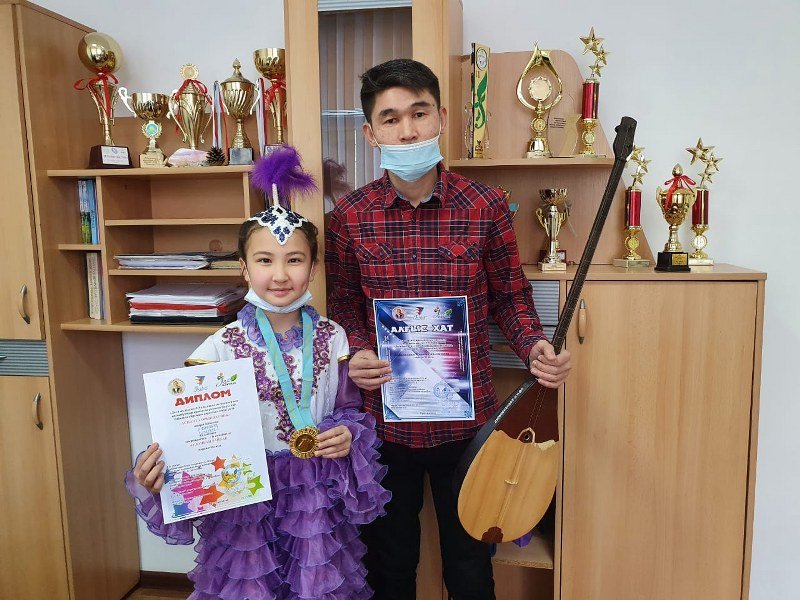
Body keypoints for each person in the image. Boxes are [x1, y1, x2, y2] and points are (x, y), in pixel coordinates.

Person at [324, 59, 572, 600]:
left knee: (469, 568)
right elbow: (343, 306)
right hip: (384, 426)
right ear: (371, 134)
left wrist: (534, 345)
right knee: (390, 567)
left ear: (441, 118)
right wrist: (356, 352)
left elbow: (510, 296)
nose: (407, 130)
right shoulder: (349, 215)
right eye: (390, 119)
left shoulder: (485, 206)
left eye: (419, 113)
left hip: (468, 425)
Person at [126, 182, 390, 599]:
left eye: (295, 260)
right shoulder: (216, 349)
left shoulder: (334, 337)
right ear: (245, 269)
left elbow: (347, 408)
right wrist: (163, 469)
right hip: (244, 497)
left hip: (314, 496)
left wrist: (346, 434)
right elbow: (192, 433)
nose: (280, 275)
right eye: (265, 260)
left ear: (314, 267)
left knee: (314, 585)